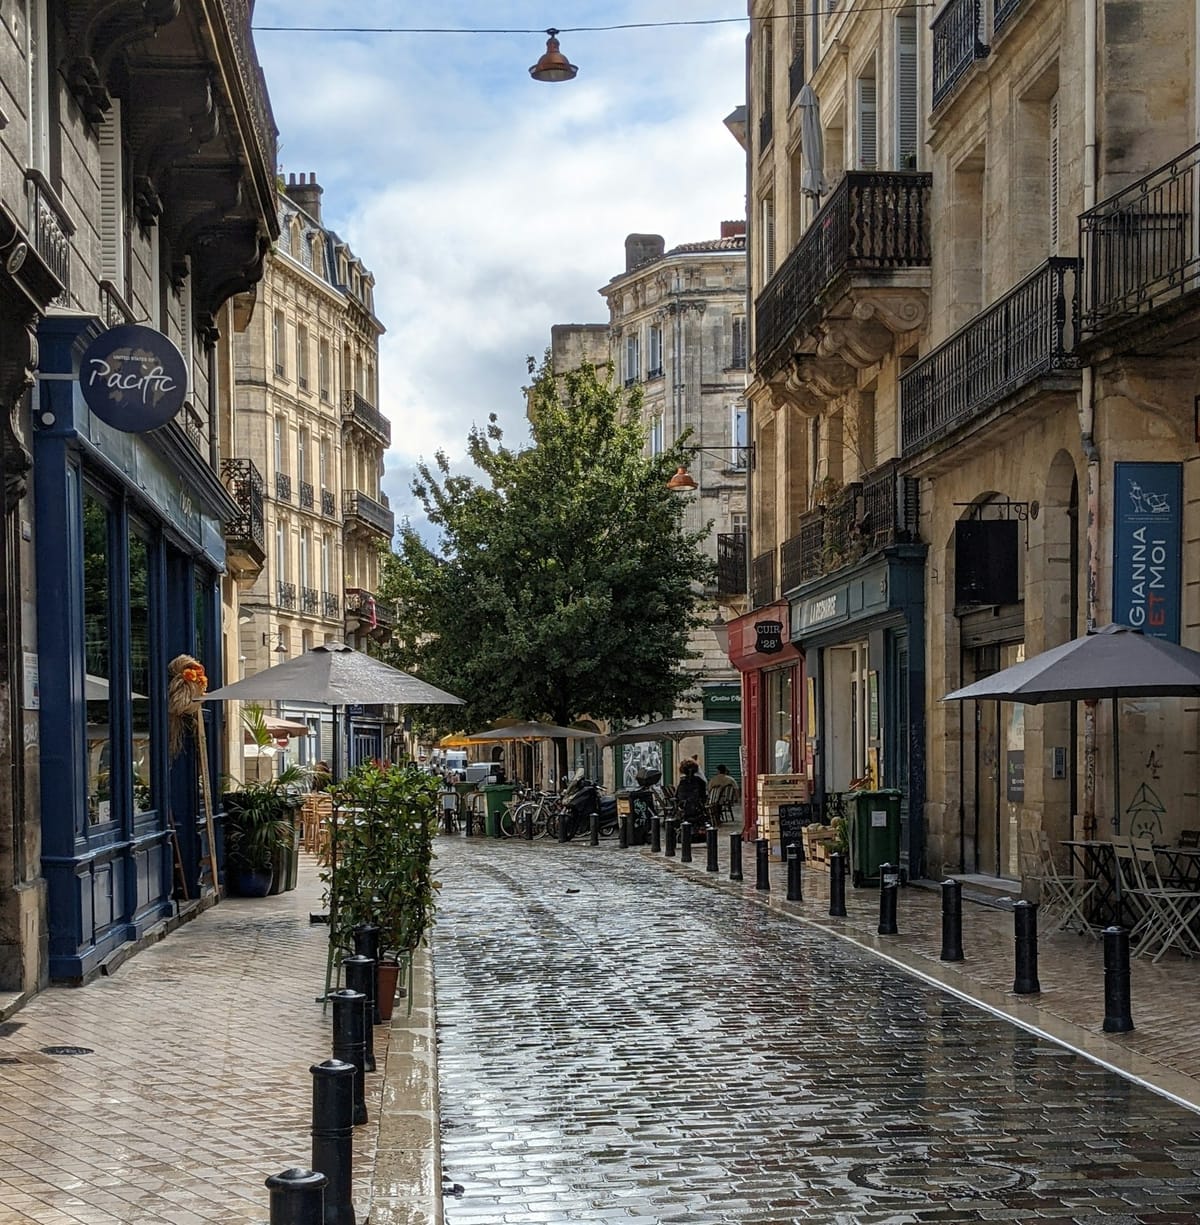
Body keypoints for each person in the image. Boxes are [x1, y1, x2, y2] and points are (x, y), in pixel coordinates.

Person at [674, 759, 708, 826]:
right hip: (697, 810)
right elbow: (703, 796)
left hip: (684, 810)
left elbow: (677, 796)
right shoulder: (700, 781)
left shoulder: (682, 782)